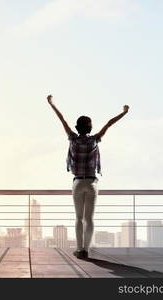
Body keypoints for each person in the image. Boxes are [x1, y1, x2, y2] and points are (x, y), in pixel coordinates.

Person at [47, 94, 129, 259]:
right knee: (89, 219)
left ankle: (79, 249)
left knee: (78, 218)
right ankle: (86, 249)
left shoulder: (73, 139)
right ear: (90, 128)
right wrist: (124, 112)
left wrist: (51, 103)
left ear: (77, 128)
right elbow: (109, 124)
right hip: (92, 183)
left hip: (77, 183)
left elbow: (62, 119)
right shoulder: (95, 140)